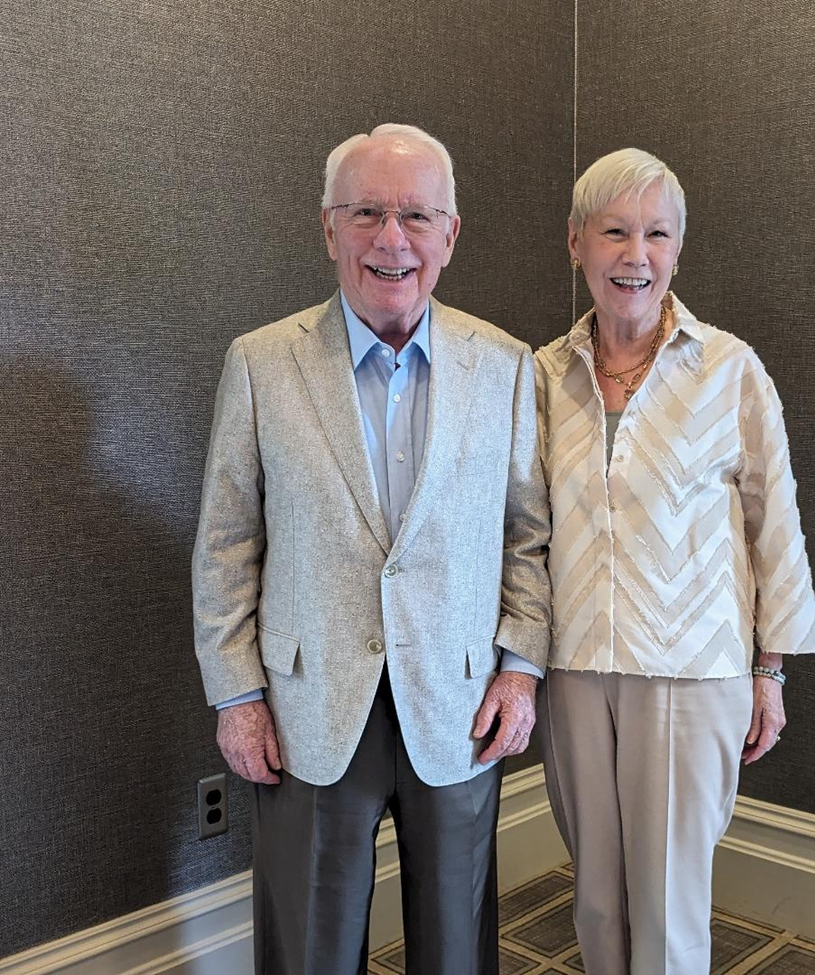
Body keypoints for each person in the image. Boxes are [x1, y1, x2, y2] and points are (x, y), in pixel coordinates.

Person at [192, 123, 550, 975]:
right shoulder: (260, 364)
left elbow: (527, 536)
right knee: (309, 950)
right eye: (366, 213)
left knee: (456, 947)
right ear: (329, 228)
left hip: (460, 703)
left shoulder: (505, 366)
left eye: (416, 216)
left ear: (449, 235)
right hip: (306, 708)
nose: (392, 239)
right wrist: (236, 695)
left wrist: (520, 667)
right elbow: (225, 544)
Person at [534, 148, 815, 975]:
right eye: (614, 232)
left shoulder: (728, 368)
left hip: (692, 668)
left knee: (667, 906)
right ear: (575, 242)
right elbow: (522, 527)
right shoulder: (542, 375)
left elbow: (775, 523)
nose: (635, 255)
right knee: (595, 896)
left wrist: (769, 669)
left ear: (677, 248)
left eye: (655, 234)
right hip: (573, 665)